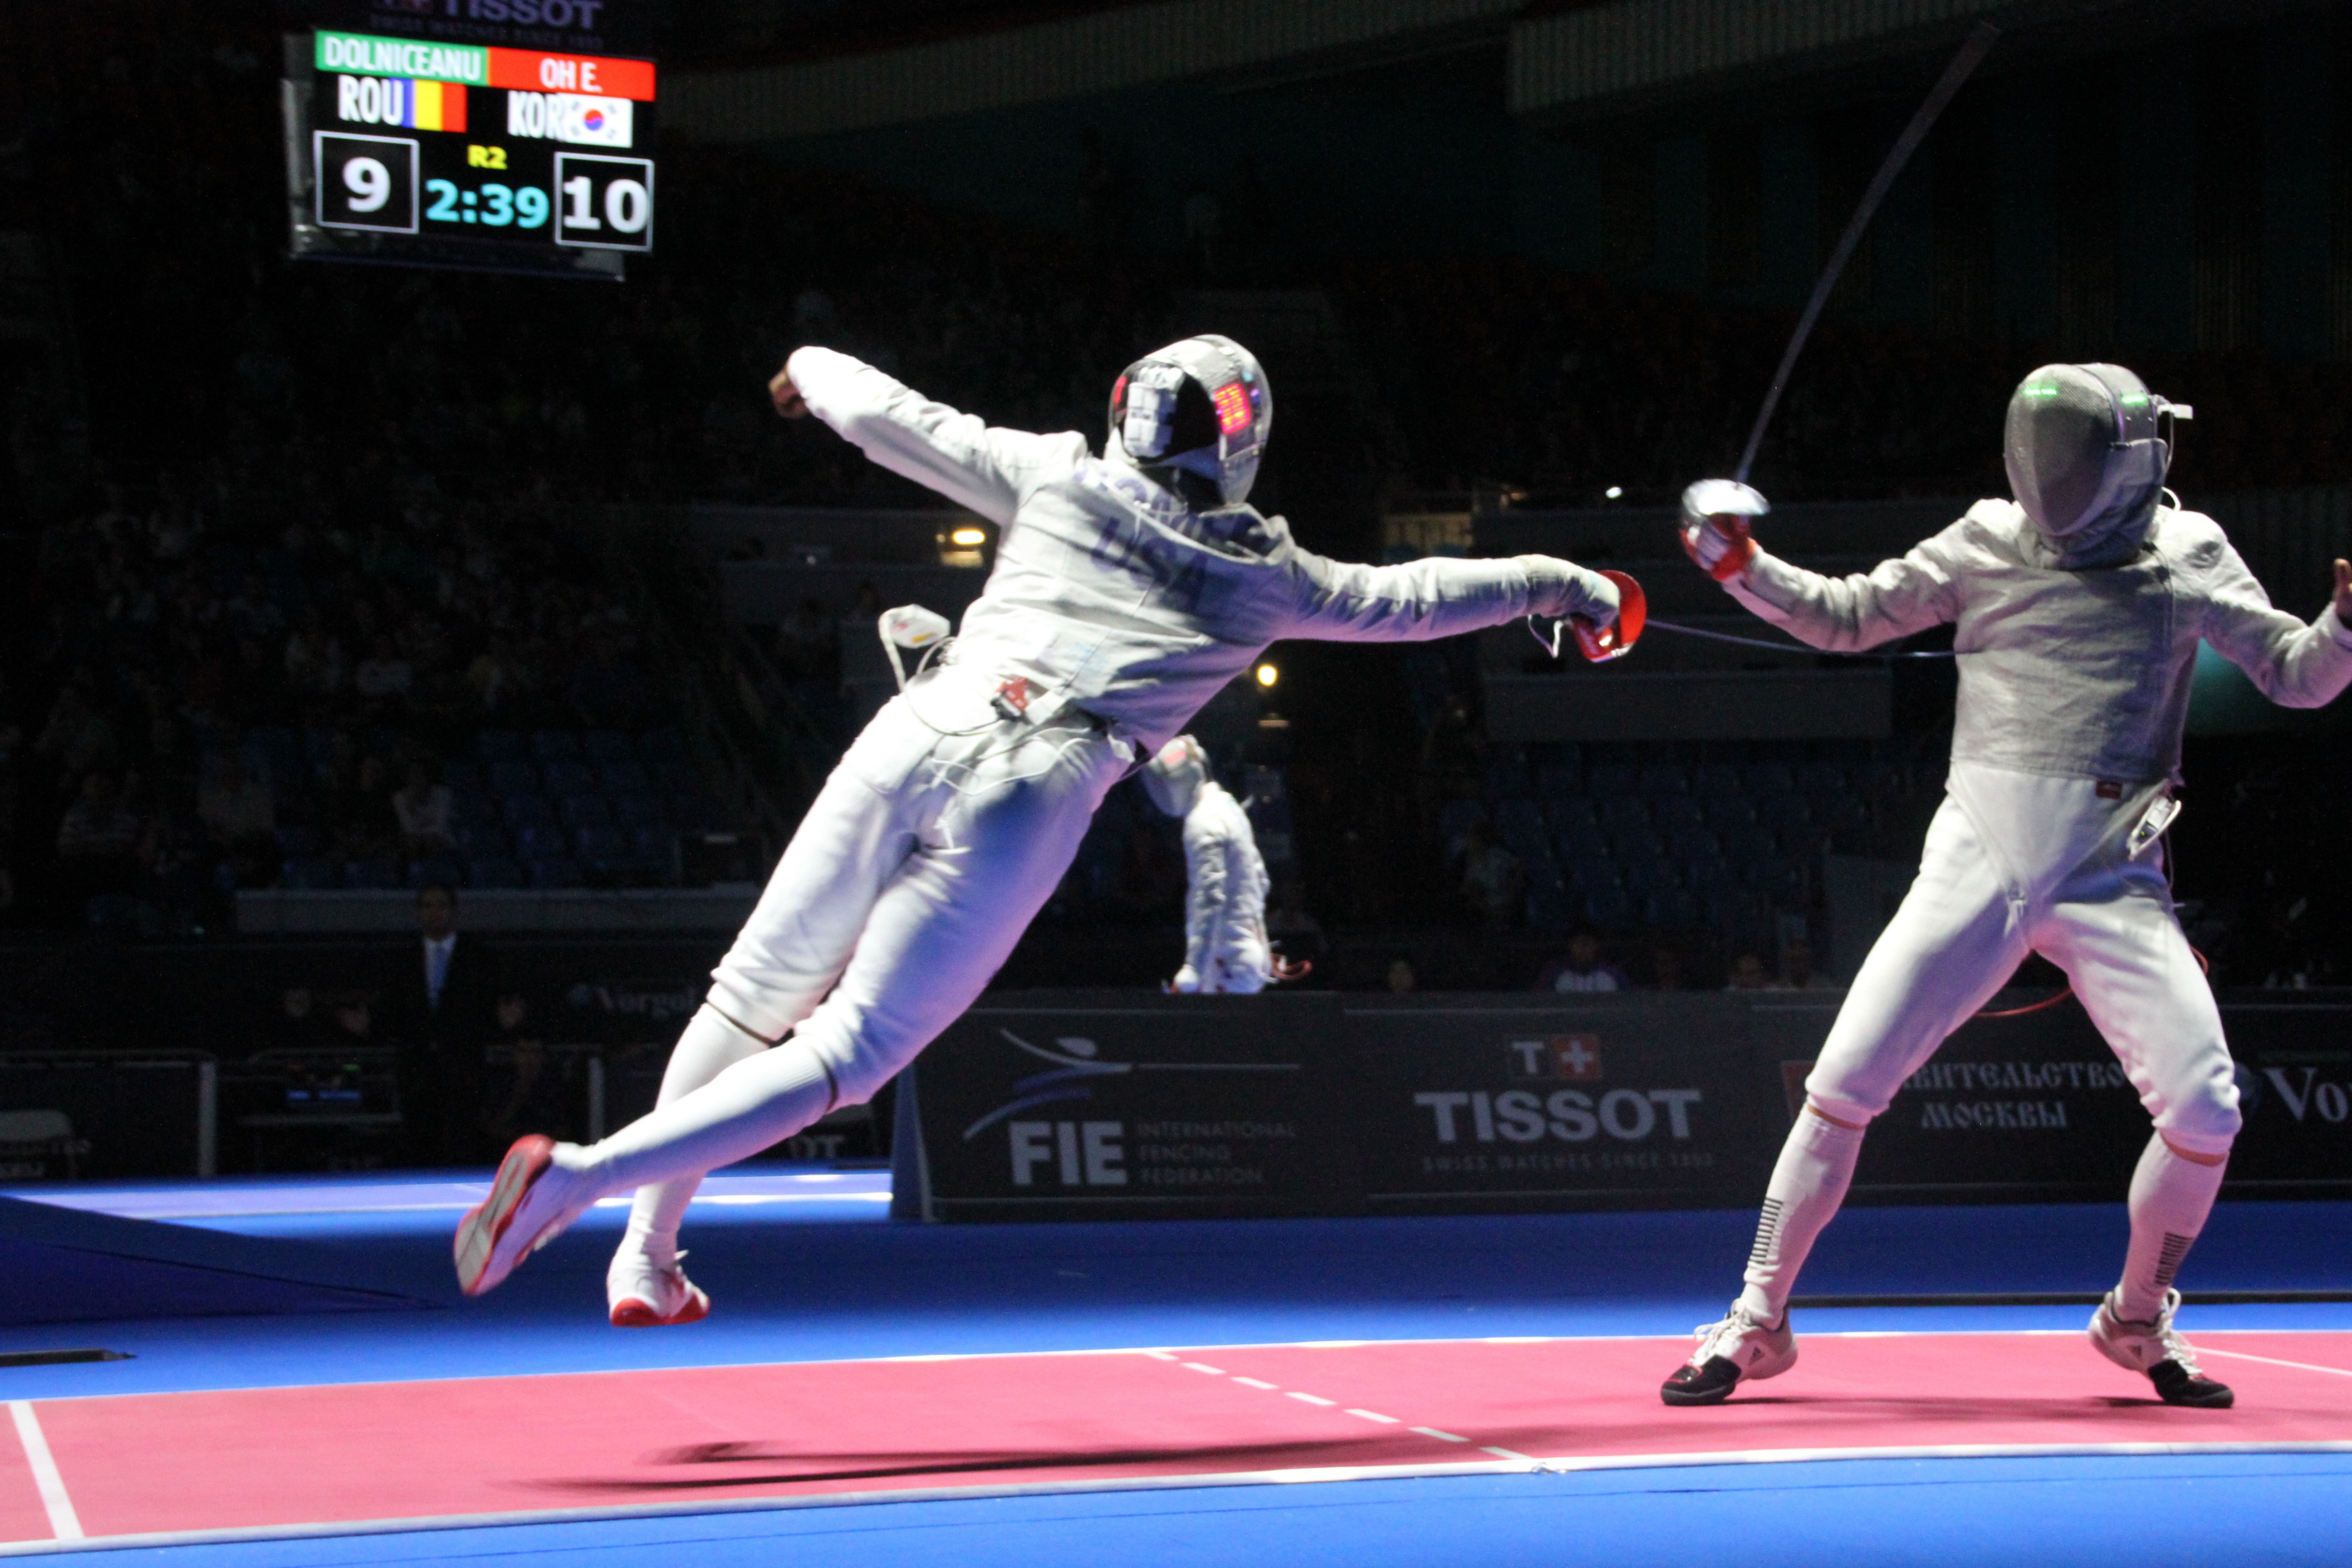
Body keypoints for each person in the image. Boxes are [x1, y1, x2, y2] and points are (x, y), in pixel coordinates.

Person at [455, 333, 1632, 1321]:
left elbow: (901, 420)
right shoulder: (1264, 575)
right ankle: (585, 1180)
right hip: (1037, 783)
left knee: (749, 996)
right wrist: (1565, 583)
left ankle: (647, 1255)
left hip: (928, 716)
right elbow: (1414, 599)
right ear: (1239, 442)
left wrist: (808, 367)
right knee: (847, 1055)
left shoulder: (1058, 475)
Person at [1661, 363, 2352, 1411]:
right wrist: (1742, 569)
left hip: (2111, 877)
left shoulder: (2190, 552)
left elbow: (2298, 677)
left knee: (2206, 1109)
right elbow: (1847, 615)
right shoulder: (1983, 539)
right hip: (1977, 858)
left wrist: (2343, 629)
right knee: (1843, 1084)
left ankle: (2134, 1318)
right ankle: (1757, 1321)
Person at [1139, 734, 1289, 994]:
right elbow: (1261, 881)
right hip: (1246, 959)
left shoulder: (1203, 821)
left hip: (1226, 962)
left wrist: (1193, 968)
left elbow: (1209, 897)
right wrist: (1258, 945)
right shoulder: (1228, 807)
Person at [382, 883, 505, 1166]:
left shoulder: (477, 957)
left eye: (441, 905)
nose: (435, 912)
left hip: (463, 1066)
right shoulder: (403, 958)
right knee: (419, 1143)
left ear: (453, 911)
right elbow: (394, 1010)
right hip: (416, 1066)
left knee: (462, 1140)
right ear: (419, 912)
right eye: (428, 906)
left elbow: (488, 1008)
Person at [1537, 927, 1630, 993]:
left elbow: (1630, 1000)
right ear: (1571, 946)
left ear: (1596, 947)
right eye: (1578, 944)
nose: (1583, 949)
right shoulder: (1556, 974)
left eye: (1587, 944)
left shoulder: (1613, 974)